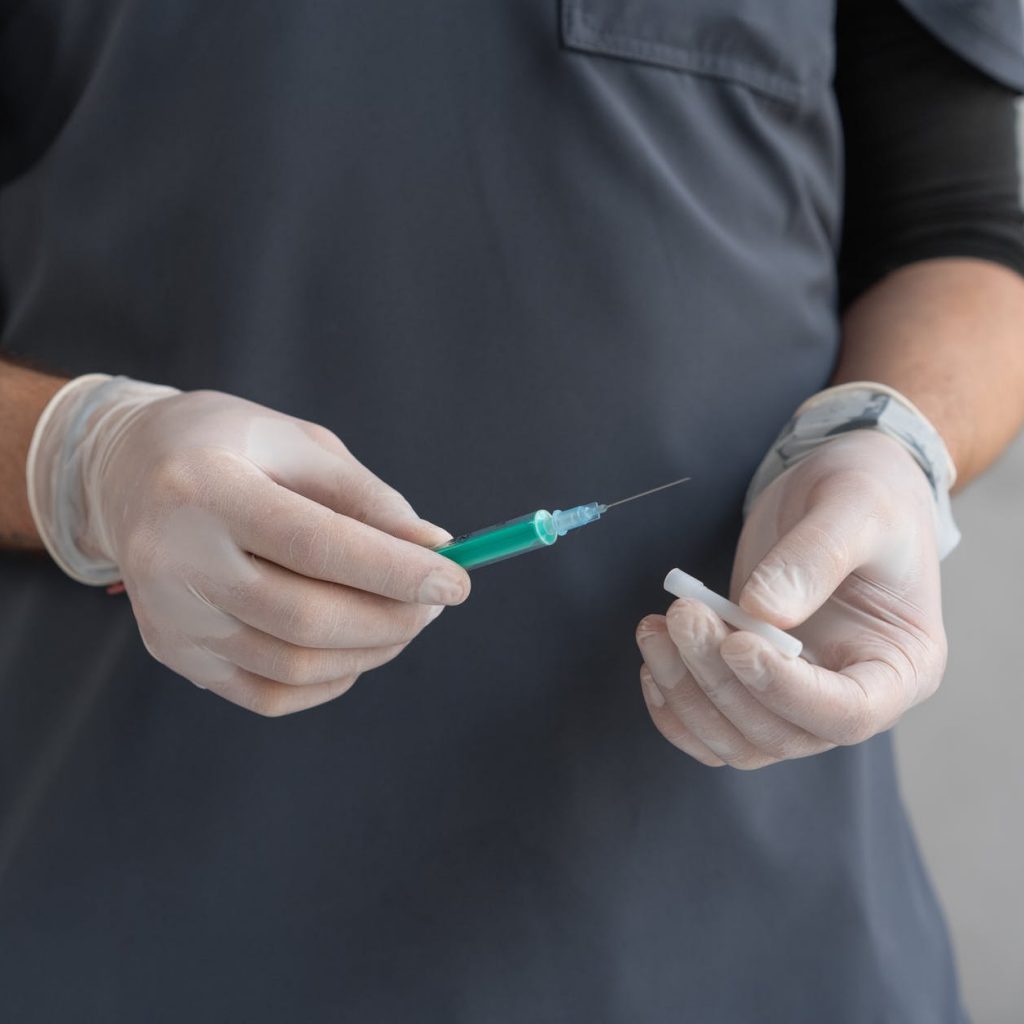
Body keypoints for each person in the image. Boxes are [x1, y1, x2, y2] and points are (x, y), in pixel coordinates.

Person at [2, 1, 1023, 1020]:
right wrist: (81, 459)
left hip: (745, 944)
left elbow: (960, 227)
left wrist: (893, 443)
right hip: (139, 915)